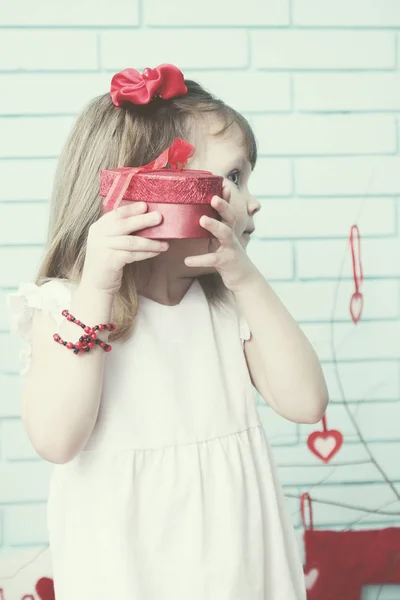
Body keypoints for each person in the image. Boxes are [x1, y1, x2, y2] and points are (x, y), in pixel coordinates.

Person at [8, 64, 328, 599]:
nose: (251, 202)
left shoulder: (226, 304)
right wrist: (96, 290)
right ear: (151, 190)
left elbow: (307, 402)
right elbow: (57, 439)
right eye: (232, 178)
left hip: (236, 563)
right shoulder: (67, 307)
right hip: (127, 567)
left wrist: (246, 278)